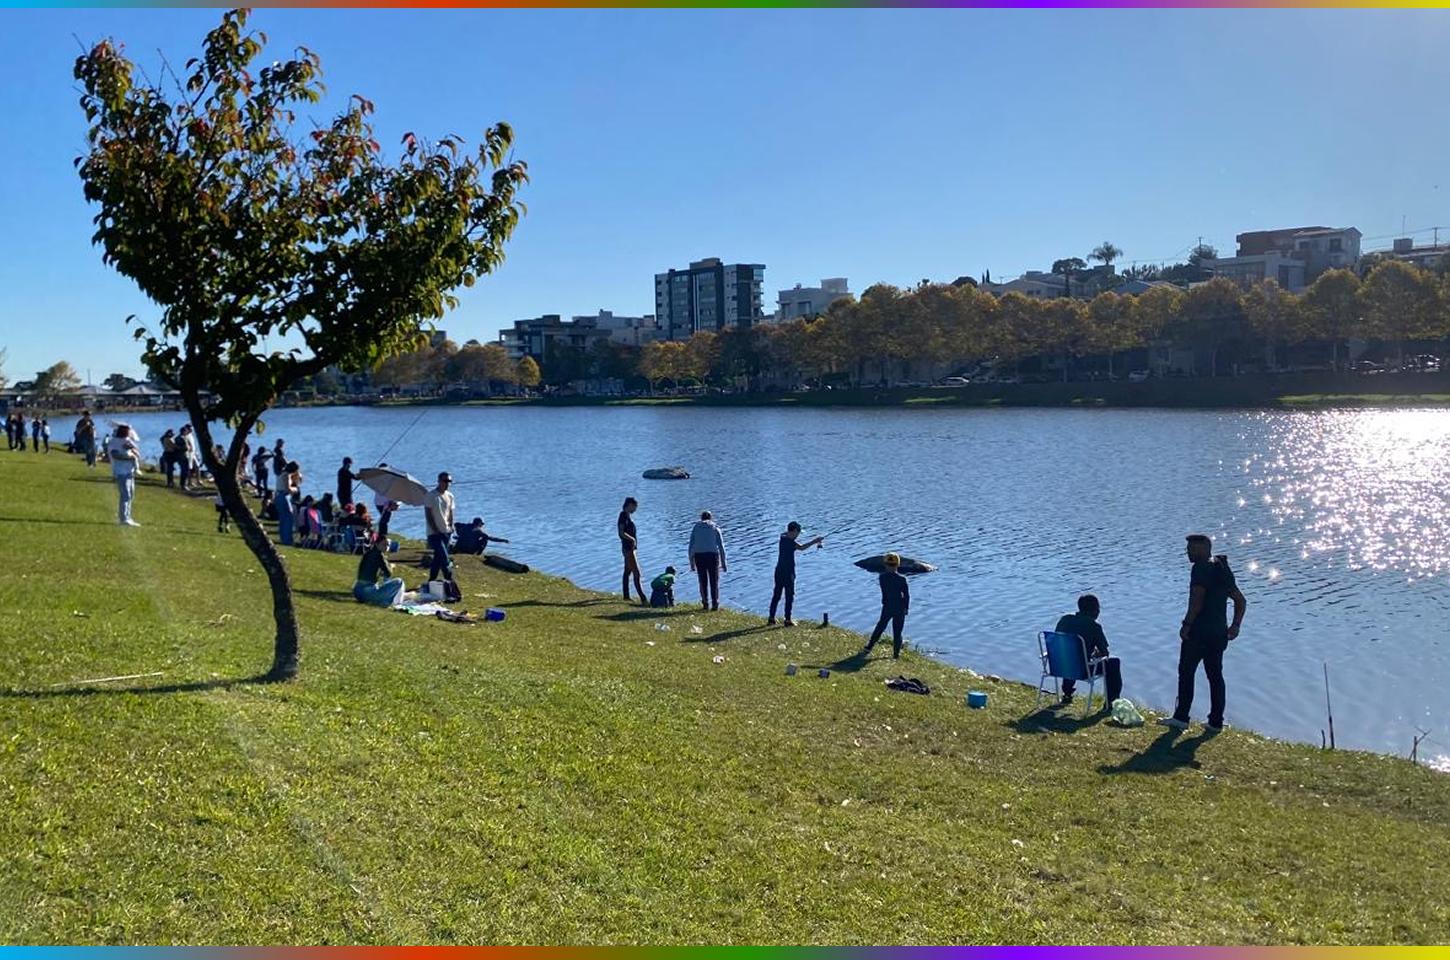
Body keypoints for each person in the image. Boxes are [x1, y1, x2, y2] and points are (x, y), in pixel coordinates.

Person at [1161, 534, 1248, 733]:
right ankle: (1216, 722)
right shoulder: (1222, 568)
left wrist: (1186, 624)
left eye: (1191, 549)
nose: (1188, 554)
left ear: (1202, 549)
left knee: (1186, 673)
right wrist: (1235, 625)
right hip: (1219, 633)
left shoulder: (1199, 569)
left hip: (1199, 632)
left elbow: (1197, 601)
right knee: (1215, 676)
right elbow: (1240, 600)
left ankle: (1181, 718)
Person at [1054, 594, 1122, 706]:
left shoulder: (1064, 620)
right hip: (1081, 670)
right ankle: (1112, 702)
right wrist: (1096, 654)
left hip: (1059, 666)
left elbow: (1060, 644)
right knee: (1114, 663)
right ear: (1095, 610)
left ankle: (1067, 693)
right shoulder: (1094, 626)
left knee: (1070, 655)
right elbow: (1105, 654)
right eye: (1098, 609)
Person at [768, 521, 824, 627]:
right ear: (793, 531)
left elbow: (788, 535)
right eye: (798, 533)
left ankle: (771, 618)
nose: (798, 535)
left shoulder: (783, 537)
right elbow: (802, 548)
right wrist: (815, 541)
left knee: (777, 595)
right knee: (789, 596)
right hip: (788, 572)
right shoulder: (789, 542)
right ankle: (788, 620)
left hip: (778, 571)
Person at [865, 553, 910, 659]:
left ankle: (869, 646)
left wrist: (884, 601)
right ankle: (896, 654)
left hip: (888, 606)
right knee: (897, 631)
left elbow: (884, 593)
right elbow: (906, 595)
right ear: (898, 565)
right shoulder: (902, 579)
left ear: (885, 565)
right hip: (899, 607)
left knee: (880, 626)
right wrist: (906, 608)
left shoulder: (882, 577)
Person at [688, 510, 726, 611]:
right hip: (712, 556)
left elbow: (691, 546)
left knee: (702, 581)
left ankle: (705, 603)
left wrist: (691, 562)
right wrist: (724, 563)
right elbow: (721, 547)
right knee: (714, 581)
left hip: (699, 556)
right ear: (711, 518)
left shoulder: (696, 528)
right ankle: (715, 604)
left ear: (701, 518)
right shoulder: (715, 527)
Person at [106, 424, 142, 527]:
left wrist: (133, 450)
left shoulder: (127, 441)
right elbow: (115, 455)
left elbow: (137, 452)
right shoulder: (114, 442)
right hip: (121, 471)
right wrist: (128, 458)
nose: (129, 432)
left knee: (130, 494)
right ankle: (124, 518)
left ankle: (128, 516)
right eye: (127, 430)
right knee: (125, 494)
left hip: (130, 471)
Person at [425, 471, 457, 585]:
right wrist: (435, 529)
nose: (447, 483)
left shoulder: (450, 496)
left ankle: (431, 580)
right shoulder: (431, 495)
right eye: (445, 481)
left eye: (449, 481)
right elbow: (428, 514)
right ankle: (450, 580)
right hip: (434, 533)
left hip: (446, 532)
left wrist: (451, 526)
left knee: (438, 559)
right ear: (439, 481)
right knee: (444, 557)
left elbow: (450, 513)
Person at [353, 538, 406, 607]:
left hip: (357, 591)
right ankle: (397, 603)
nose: (386, 547)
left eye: (388, 545)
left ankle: (388, 601)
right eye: (384, 545)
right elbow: (389, 573)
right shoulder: (379, 555)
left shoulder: (368, 553)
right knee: (399, 581)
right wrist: (390, 566)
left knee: (384, 580)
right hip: (368, 593)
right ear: (377, 544)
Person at [618, 496, 645, 604]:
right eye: (634, 507)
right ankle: (643, 598)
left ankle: (626, 595)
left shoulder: (627, 516)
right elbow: (621, 533)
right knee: (637, 573)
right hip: (628, 549)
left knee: (627, 571)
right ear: (629, 505)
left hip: (630, 548)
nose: (635, 510)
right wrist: (632, 539)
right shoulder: (623, 516)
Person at [275, 461, 301, 545]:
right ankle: (287, 539)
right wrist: (295, 489)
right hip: (284, 496)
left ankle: (284, 538)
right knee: (288, 518)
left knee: (283, 518)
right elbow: (288, 489)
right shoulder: (286, 475)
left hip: (279, 495)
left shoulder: (282, 473)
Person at [177, 424, 198, 490]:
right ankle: (183, 485)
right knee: (185, 471)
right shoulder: (181, 438)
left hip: (185, 456)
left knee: (185, 470)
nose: (187, 432)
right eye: (186, 431)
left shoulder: (180, 437)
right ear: (183, 431)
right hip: (184, 456)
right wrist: (189, 448)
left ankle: (184, 484)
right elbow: (185, 447)